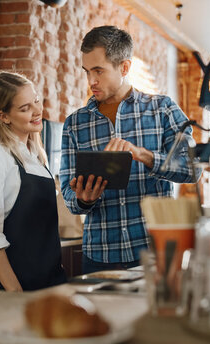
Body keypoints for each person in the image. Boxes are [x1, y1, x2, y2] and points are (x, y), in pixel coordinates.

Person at [59, 25, 195, 274]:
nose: (91, 81)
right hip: (99, 255)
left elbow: (192, 168)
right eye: (87, 71)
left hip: (153, 252)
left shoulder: (162, 109)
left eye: (98, 71)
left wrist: (143, 155)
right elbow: (68, 193)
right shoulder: (74, 124)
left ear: (124, 67)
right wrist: (83, 199)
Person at [0, 71, 67, 291]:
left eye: (36, 101)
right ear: (3, 116)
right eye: (25, 108)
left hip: (44, 284)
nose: (37, 111)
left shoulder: (36, 157)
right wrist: (16, 294)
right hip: (4, 290)